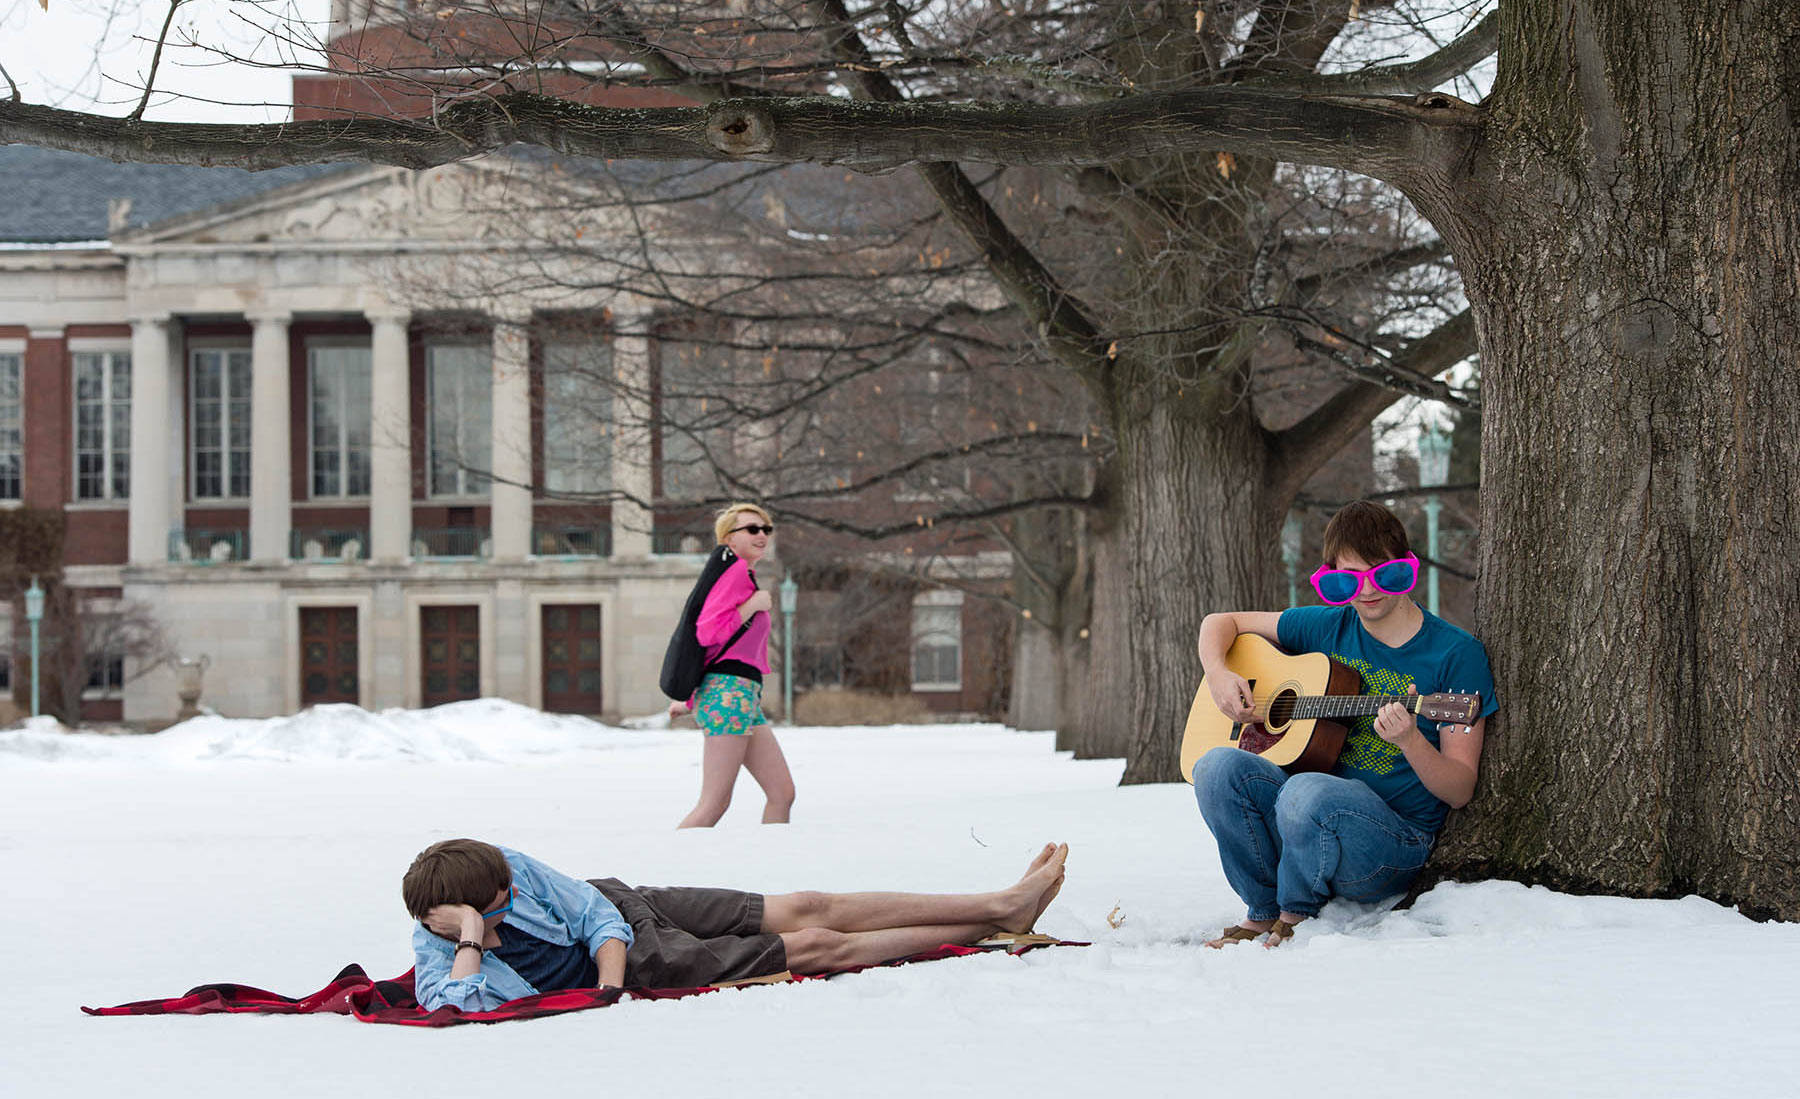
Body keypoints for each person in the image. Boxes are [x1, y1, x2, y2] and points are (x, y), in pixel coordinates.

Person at [1191, 499, 1497, 948]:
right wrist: (1218, 672)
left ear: (1407, 568)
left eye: (1384, 575)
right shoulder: (1327, 626)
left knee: (1307, 788)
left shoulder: (1456, 655)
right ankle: (1261, 911)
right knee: (1216, 766)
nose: (1367, 591)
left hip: (1386, 848)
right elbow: (1222, 622)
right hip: (1302, 831)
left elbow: (1459, 788)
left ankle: (1296, 915)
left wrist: (1411, 740)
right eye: (1346, 580)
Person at [404, 838, 1069, 1011]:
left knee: (807, 902)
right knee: (814, 947)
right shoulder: (445, 946)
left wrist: (607, 986)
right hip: (650, 964)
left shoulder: (501, 864)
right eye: (500, 895)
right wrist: (470, 937)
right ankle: (994, 915)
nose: (514, 890)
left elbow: (590, 910)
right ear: (467, 907)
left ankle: (996, 903)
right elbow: (457, 1005)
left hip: (633, 912)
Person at [665, 502, 796, 828]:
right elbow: (708, 632)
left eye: (766, 529)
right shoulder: (734, 572)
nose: (762, 535)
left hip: (740, 695)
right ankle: (666, 871)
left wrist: (693, 697)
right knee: (714, 804)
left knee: (781, 792)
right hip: (730, 695)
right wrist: (752, 605)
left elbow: (724, 650)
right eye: (752, 529)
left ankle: (773, 872)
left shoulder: (741, 574)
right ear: (729, 538)